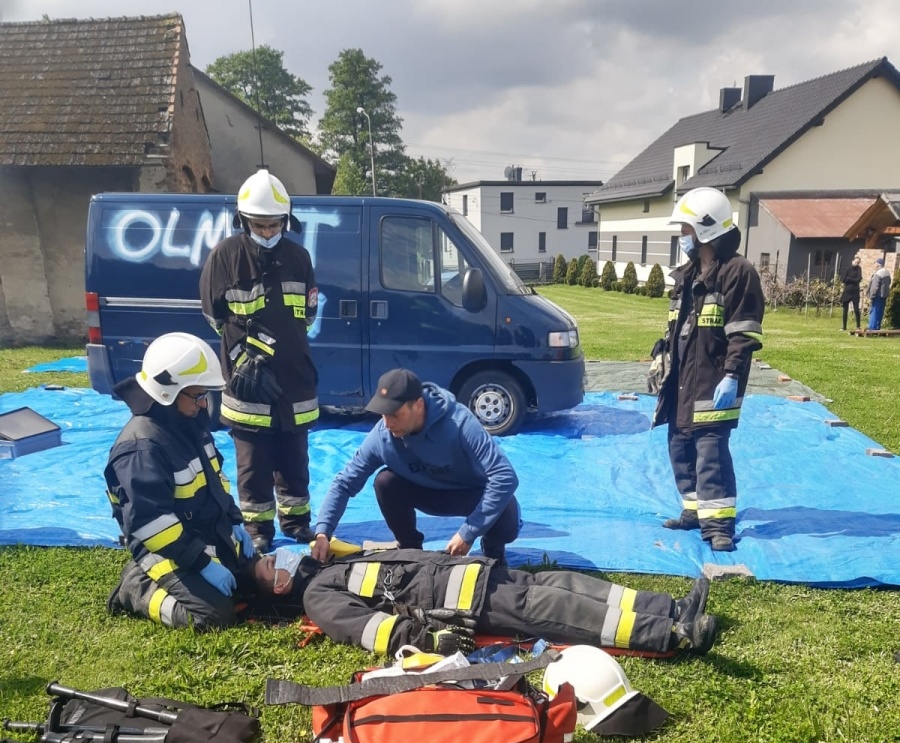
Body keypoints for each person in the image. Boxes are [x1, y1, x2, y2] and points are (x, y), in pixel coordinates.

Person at [272, 547, 717, 658]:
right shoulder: (317, 595)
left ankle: (669, 607)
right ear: (278, 586)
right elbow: (371, 629)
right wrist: (430, 641)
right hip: (469, 599)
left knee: (565, 583)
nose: (278, 555)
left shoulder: (336, 564)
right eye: (270, 563)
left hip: (479, 572)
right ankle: (670, 634)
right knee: (560, 609)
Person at [104, 332, 266, 630]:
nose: (204, 404)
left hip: (201, 533)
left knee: (253, 584)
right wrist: (202, 564)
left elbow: (217, 482)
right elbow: (151, 524)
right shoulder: (141, 448)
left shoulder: (189, 425)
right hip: (163, 547)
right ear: (167, 393)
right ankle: (136, 588)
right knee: (213, 616)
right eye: (197, 395)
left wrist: (234, 522)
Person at [200, 168, 319, 554]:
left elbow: (308, 315)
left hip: (295, 379)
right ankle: (258, 528)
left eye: (274, 225)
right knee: (253, 462)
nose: (267, 232)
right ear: (243, 221)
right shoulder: (225, 257)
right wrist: (242, 357)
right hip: (247, 381)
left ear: (286, 221)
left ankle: (296, 522)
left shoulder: (299, 258)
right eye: (259, 225)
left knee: (294, 459)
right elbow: (214, 317)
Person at [311, 368, 521, 567]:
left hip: (468, 494)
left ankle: (493, 549)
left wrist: (468, 532)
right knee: (385, 482)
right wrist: (323, 533)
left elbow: (504, 476)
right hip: (423, 492)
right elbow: (344, 483)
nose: (387, 423)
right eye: (383, 414)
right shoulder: (382, 435)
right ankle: (410, 550)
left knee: (506, 512)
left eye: (394, 414)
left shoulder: (459, 422)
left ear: (418, 405)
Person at [651, 186, 764, 554]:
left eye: (686, 229)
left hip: (714, 381)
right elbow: (677, 328)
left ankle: (718, 527)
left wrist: (732, 376)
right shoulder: (686, 274)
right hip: (681, 381)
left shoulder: (738, 272)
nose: (682, 237)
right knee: (679, 447)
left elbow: (744, 333)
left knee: (711, 454)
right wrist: (661, 357)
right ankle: (694, 511)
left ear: (706, 229)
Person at [867, 257, 891, 331]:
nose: (875, 265)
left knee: (874, 311)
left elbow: (875, 286)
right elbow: (889, 282)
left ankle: (872, 327)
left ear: (878, 264)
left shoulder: (878, 273)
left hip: (877, 295)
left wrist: (872, 296)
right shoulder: (887, 272)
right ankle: (877, 327)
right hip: (884, 295)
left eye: (876, 263)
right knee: (880, 311)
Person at [840, 255, 862, 332]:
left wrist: (849, 279)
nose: (856, 263)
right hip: (847, 291)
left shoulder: (859, 269)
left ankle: (858, 326)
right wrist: (852, 280)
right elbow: (843, 279)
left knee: (856, 310)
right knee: (845, 310)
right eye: (855, 262)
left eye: (858, 263)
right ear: (853, 261)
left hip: (855, 292)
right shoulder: (848, 269)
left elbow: (858, 279)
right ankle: (844, 326)